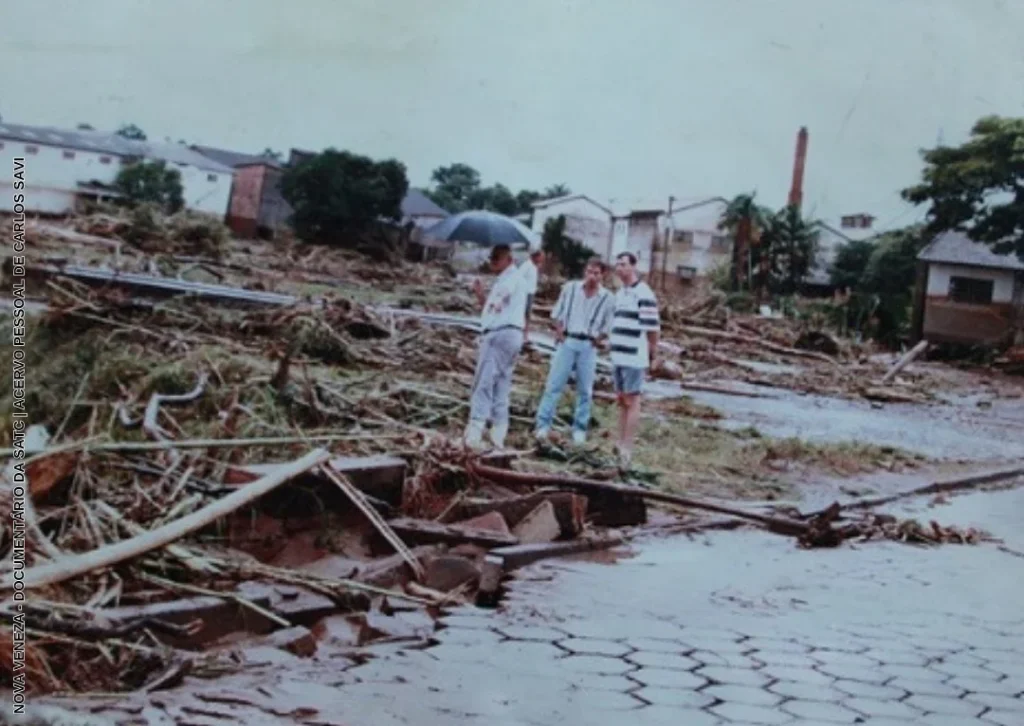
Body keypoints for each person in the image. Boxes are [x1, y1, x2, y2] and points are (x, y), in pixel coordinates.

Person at [534, 257, 613, 445]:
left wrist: (597, 339)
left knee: (585, 389)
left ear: (602, 275)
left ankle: (579, 429)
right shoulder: (570, 289)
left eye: (596, 273)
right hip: (568, 340)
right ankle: (543, 425)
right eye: (589, 272)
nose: (591, 277)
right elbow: (557, 313)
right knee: (554, 384)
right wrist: (560, 332)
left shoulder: (608, 298)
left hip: (587, 344)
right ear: (584, 272)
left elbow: (608, 325)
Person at [465, 244, 528, 450]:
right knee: (501, 384)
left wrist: (498, 300)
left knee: (483, 382)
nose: (492, 262)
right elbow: (492, 310)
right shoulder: (505, 279)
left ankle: (475, 431)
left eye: (496, 258)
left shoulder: (511, 278)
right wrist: (481, 294)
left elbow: (503, 296)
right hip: (510, 334)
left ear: (509, 259)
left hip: (500, 334)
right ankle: (499, 432)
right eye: (491, 258)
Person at [609, 251, 660, 470]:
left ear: (633, 267)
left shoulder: (643, 292)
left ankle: (627, 447)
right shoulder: (620, 293)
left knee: (632, 400)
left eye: (624, 264)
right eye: (617, 264)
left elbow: (652, 328)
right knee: (621, 400)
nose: (620, 268)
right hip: (618, 354)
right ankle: (619, 444)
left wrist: (652, 353)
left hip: (633, 355)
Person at [518, 241, 544, 342]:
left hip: (531, 293)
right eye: (540, 257)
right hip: (525, 293)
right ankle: (522, 334)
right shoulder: (526, 266)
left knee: (527, 315)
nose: (541, 259)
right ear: (536, 256)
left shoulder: (534, 267)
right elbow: (518, 278)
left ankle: (525, 335)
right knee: (523, 314)